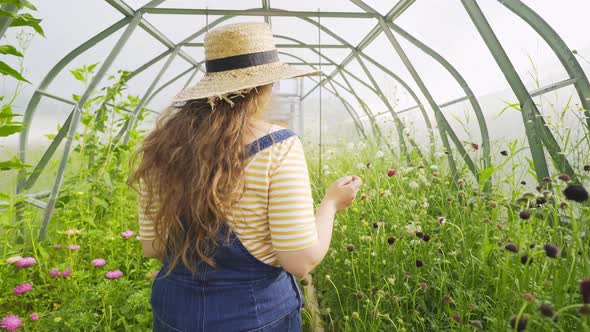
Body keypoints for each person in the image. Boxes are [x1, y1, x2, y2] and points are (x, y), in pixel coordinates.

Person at [130, 22, 362, 332]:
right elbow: (300, 261)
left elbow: (155, 247)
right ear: (264, 88)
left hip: (174, 315)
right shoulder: (277, 145)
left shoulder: (162, 148)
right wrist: (331, 204)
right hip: (255, 317)